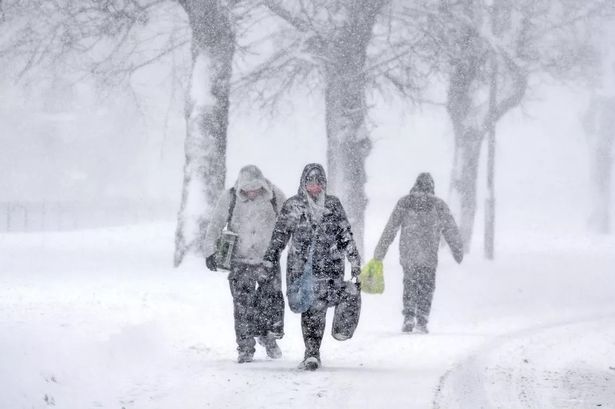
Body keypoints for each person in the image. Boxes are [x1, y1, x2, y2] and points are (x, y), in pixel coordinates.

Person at [260, 163, 361, 371]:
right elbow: (280, 236)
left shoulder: (333, 205)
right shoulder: (293, 206)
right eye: (311, 183)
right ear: (303, 184)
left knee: (324, 305)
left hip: (330, 267)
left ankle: (318, 348)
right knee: (312, 309)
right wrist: (270, 258)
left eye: (319, 183)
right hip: (302, 268)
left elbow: (344, 234)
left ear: (324, 184)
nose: (315, 187)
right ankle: (312, 353)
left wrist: (354, 259)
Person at [204, 165, 286, 363]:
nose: (251, 193)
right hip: (240, 261)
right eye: (246, 190)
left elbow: (289, 223)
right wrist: (210, 252)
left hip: (268, 259)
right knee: (242, 306)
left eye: (255, 189)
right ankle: (245, 347)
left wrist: (290, 246)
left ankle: (268, 337)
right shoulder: (230, 197)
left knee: (270, 302)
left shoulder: (275, 196)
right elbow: (215, 224)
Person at [369, 172, 463, 334]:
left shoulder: (405, 202)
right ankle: (422, 318)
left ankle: (409, 315)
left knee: (410, 283)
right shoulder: (438, 204)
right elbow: (451, 229)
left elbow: (390, 229)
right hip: (429, 255)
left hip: (409, 253)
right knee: (427, 285)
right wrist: (457, 250)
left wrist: (380, 252)